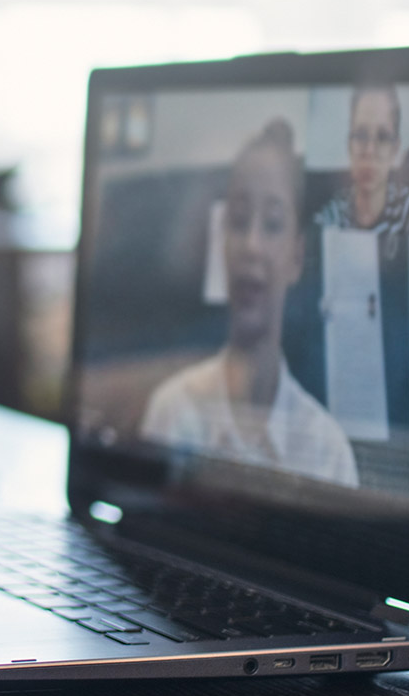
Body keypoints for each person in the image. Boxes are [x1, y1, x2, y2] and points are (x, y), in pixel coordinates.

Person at [141, 119, 358, 487]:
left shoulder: (328, 452)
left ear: (296, 256)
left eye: (272, 224)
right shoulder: (172, 412)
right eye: (238, 222)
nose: (251, 246)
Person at [315, 83, 409, 255]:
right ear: (349, 144)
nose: (369, 151)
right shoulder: (332, 215)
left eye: (383, 136)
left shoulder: (407, 208)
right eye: (361, 134)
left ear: (395, 148)